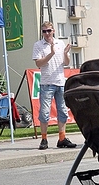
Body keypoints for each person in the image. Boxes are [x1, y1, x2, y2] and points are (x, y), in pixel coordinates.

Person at [32, 21, 77, 150]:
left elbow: (66, 62)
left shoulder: (60, 43)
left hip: (60, 82)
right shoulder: (38, 45)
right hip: (46, 83)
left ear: (53, 31)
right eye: (44, 31)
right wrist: (51, 53)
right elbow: (39, 64)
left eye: (49, 31)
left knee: (63, 111)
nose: (47, 33)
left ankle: (62, 138)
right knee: (45, 112)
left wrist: (65, 53)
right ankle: (44, 139)